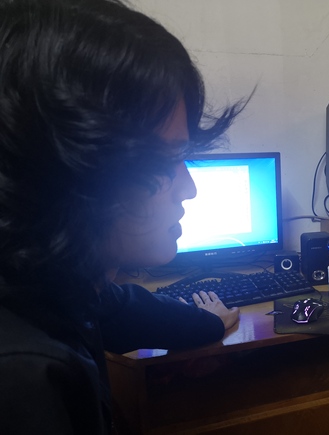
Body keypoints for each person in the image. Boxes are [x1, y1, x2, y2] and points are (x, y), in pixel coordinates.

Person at [0, 0, 245, 433]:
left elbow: (118, 309)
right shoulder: (24, 377)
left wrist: (205, 323)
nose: (189, 188)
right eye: (165, 161)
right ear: (67, 167)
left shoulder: (50, 284)